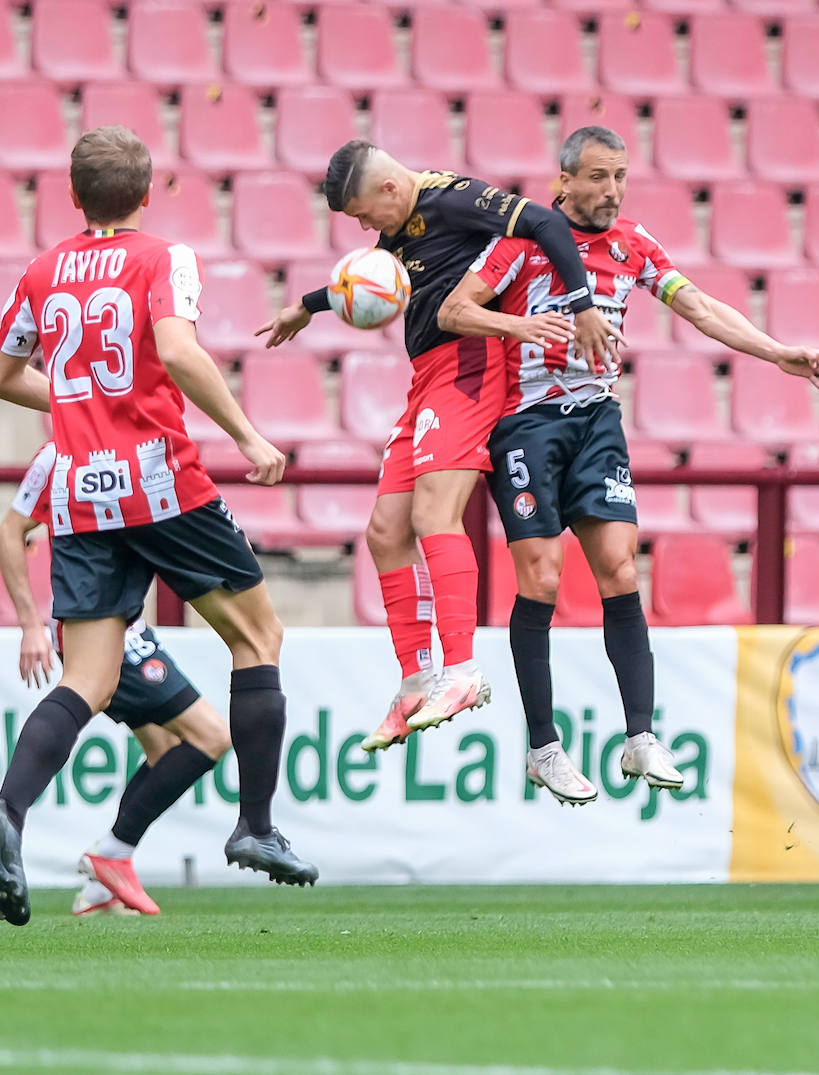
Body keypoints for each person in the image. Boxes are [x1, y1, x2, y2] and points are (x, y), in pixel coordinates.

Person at [0, 126, 317, 928]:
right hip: (160, 480)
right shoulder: (164, 257)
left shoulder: (40, 270)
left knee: (87, 679)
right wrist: (247, 434)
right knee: (257, 639)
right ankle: (257, 824)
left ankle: (9, 811)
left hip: (82, 489)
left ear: (72, 194)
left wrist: (76, 405)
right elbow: (179, 351)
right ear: (147, 192)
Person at [438, 126, 819, 804]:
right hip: (526, 426)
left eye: (619, 176)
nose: (611, 189)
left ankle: (640, 736)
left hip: (597, 423)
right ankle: (543, 747)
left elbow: (700, 307)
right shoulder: (519, 244)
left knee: (621, 567)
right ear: (562, 182)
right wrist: (521, 328)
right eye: (597, 176)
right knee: (541, 576)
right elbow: (453, 310)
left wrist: (776, 352)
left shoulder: (634, 245)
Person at [256, 141, 622, 762]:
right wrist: (309, 307)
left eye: (364, 214)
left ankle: (461, 670)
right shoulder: (401, 228)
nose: (365, 228)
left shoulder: (454, 198)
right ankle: (417, 679)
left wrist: (583, 306)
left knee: (433, 515)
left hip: (469, 368)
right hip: (428, 377)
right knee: (384, 531)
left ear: (390, 190)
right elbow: (374, 275)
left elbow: (546, 222)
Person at [0, 442, 232, 916]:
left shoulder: (84, 450)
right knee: (211, 736)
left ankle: (103, 884)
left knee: (165, 750)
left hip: (122, 624)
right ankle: (109, 850)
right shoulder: (87, 452)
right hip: (106, 630)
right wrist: (29, 624)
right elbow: (9, 534)